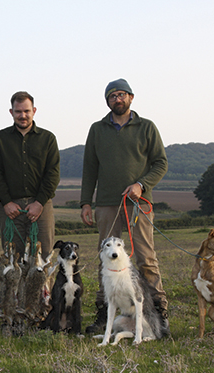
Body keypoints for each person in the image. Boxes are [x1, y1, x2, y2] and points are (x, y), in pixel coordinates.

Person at [80, 78, 169, 334]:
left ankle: (158, 314)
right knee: (105, 256)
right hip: (107, 203)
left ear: (131, 97)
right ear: (107, 101)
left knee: (146, 258)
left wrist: (142, 184)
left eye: (121, 95)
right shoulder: (97, 130)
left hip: (138, 203)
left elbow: (160, 163)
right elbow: (90, 168)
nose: (117, 99)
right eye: (112, 96)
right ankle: (103, 312)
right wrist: (86, 201)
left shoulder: (147, 127)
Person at [0, 91, 60, 260]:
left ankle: (43, 288)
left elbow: (53, 173)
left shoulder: (48, 138)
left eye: (26, 111)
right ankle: (16, 288)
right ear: (11, 112)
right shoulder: (0, 139)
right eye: (18, 111)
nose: (23, 115)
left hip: (40, 206)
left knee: (43, 259)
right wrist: (6, 202)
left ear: (34, 110)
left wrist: (39, 203)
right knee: (13, 259)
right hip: (11, 208)